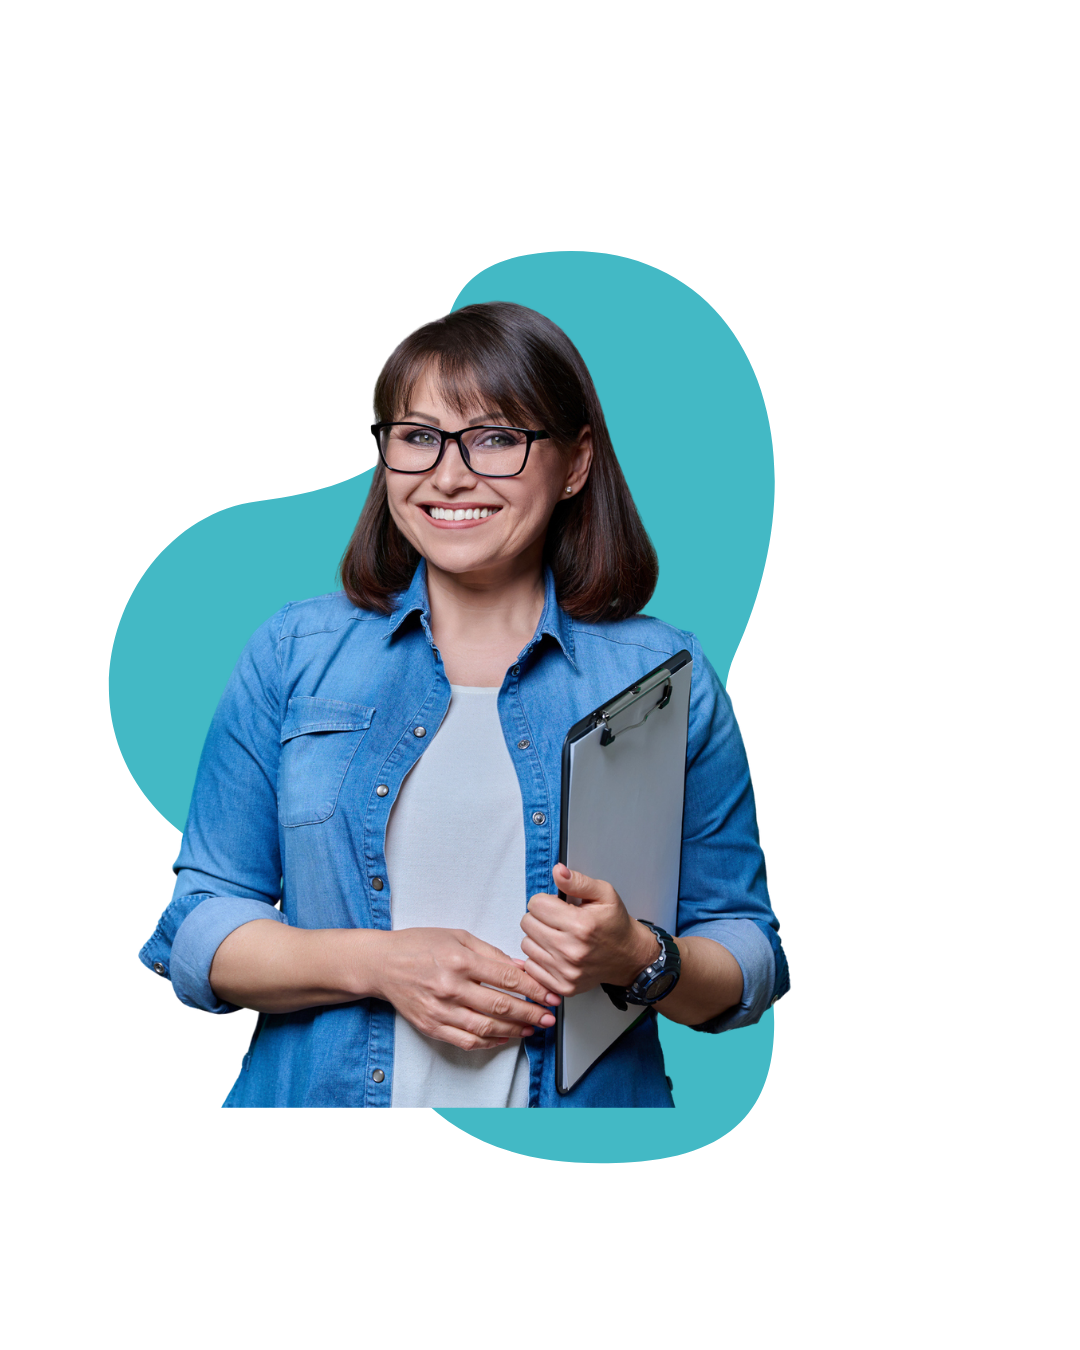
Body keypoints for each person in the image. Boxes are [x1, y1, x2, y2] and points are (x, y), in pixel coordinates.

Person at [138, 301, 790, 1110]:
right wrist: (379, 964)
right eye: (417, 437)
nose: (449, 476)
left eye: (496, 438)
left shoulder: (662, 675)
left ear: (575, 464)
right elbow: (200, 926)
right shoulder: (293, 653)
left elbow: (748, 952)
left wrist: (634, 954)